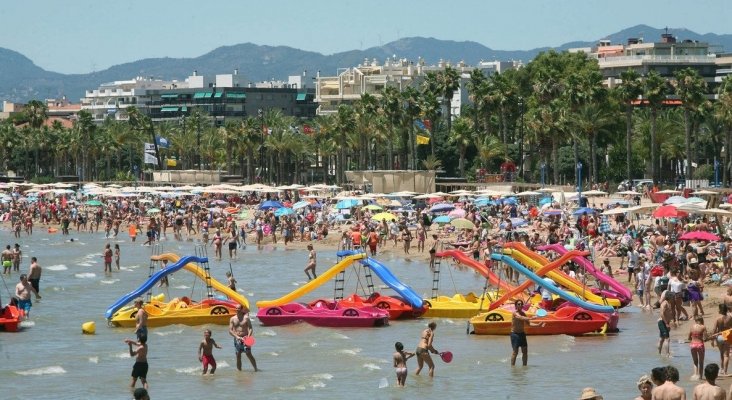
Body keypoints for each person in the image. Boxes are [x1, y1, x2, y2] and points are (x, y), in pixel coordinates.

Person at [510, 299, 542, 366]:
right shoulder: (515, 313)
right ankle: (512, 367)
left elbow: (529, 324)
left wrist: (538, 325)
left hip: (522, 334)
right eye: (518, 304)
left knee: (525, 352)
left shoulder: (523, 314)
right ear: (516, 306)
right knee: (515, 352)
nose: (520, 305)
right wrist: (531, 318)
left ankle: (524, 367)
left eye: (521, 304)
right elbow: (521, 318)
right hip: (515, 334)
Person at [228, 304, 258, 371]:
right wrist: (237, 337)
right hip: (237, 339)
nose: (237, 310)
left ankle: (256, 369)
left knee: (248, 354)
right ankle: (239, 371)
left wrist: (248, 337)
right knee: (238, 355)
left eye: (238, 308)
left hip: (245, 338)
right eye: (236, 308)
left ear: (241, 309)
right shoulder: (232, 319)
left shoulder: (246, 318)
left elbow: (250, 328)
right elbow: (230, 330)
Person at [712, 304, 732, 376]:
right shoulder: (730, 317)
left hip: (719, 337)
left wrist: (712, 340)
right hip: (727, 336)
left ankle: (721, 369)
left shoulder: (718, 318)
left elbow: (714, 330)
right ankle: (725, 372)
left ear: (720, 310)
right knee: (726, 355)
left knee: (721, 354)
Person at [689, 315, 708, 380]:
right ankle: (700, 377)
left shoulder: (692, 327)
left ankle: (695, 375)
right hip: (700, 345)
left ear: (695, 320)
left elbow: (689, 337)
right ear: (702, 320)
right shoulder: (703, 327)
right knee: (701, 362)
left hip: (692, 345)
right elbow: (705, 338)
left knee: (695, 361)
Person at [659, 291, 673, 356]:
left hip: (665, 322)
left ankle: (658, 353)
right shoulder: (664, 303)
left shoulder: (669, 303)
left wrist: (671, 322)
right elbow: (662, 314)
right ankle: (667, 354)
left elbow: (669, 313)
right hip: (662, 322)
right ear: (669, 297)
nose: (673, 297)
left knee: (662, 338)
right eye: (672, 296)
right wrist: (666, 323)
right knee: (667, 338)